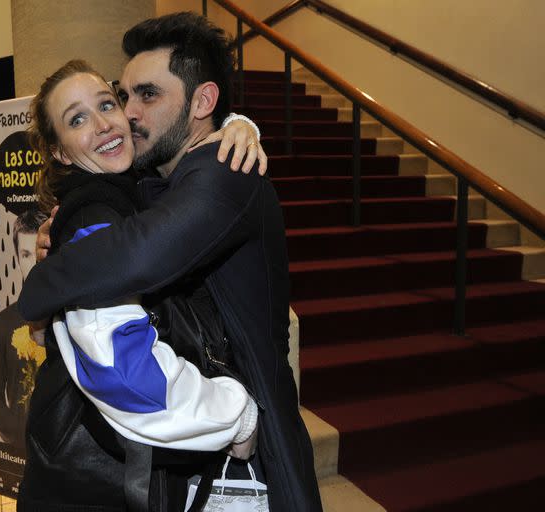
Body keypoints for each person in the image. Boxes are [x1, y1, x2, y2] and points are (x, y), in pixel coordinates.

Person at [19, 12, 322, 512]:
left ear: (203, 102)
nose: (126, 114)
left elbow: (138, 253)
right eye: (125, 94)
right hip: (190, 436)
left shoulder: (225, 169)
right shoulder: (144, 182)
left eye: (147, 96)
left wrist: (42, 288)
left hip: (247, 442)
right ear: (60, 151)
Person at [0, 209, 48, 448]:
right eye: (25, 254)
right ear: (16, 258)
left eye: (39, 254)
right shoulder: (1, 324)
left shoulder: (71, 319)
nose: (32, 264)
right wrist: (20, 437)